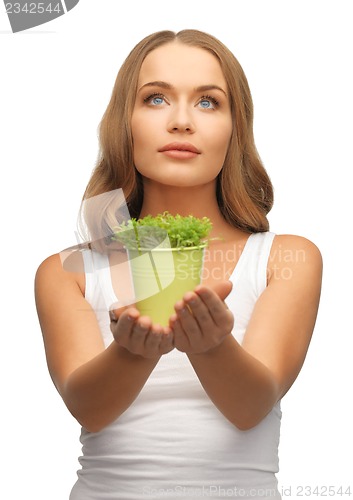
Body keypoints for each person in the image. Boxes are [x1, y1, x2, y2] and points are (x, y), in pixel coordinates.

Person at [35, 29, 323, 500]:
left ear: (236, 128)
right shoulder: (68, 271)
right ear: (122, 122)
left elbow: (251, 407)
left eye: (208, 102)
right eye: (155, 99)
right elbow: (88, 408)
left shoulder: (285, 259)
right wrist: (134, 351)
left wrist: (211, 347)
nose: (182, 121)